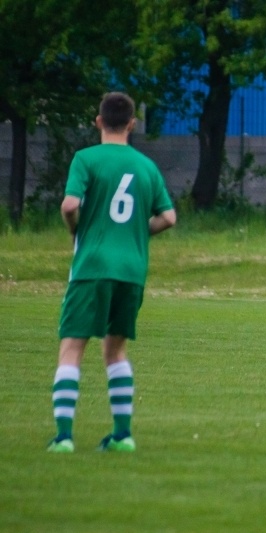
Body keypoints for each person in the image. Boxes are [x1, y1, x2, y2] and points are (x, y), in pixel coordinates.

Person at [47, 92, 176, 453]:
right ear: (132, 125)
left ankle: (64, 437)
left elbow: (70, 204)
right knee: (115, 351)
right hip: (132, 270)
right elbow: (169, 217)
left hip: (92, 266)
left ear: (98, 121)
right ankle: (122, 436)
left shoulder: (86, 159)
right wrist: (137, 231)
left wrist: (75, 228)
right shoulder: (146, 167)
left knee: (72, 348)